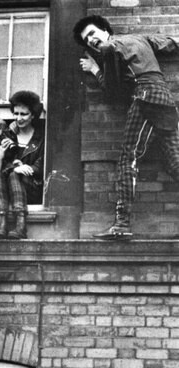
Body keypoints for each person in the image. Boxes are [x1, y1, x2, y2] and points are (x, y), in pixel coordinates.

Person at [73, 15, 179, 240]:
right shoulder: (141, 38)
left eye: (92, 33)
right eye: (86, 40)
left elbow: (113, 93)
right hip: (165, 100)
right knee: (174, 162)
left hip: (145, 97)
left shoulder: (109, 48)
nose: (91, 41)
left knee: (128, 159)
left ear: (104, 30)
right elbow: (172, 43)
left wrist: (94, 69)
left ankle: (121, 224)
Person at [7, 90, 45, 239]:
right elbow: (1, 160)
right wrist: (15, 167)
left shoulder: (41, 137)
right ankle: (18, 225)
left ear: (33, 115)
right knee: (12, 174)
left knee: (15, 175)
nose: (19, 118)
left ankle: (21, 226)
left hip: (32, 186)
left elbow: (40, 163)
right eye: (16, 114)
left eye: (23, 114)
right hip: (9, 187)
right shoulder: (8, 135)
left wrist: (25, 169)